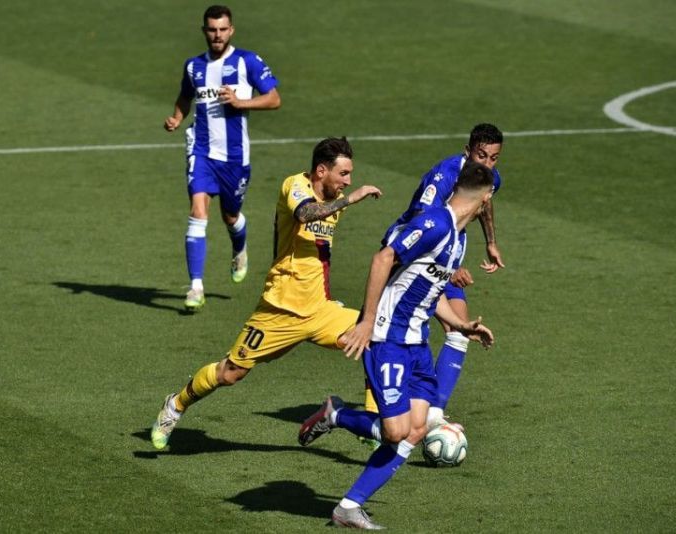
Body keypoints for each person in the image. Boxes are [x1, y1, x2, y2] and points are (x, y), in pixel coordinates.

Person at [298, 160, 496, 529]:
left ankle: (348, 506)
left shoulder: (458, 238)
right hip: (388, 337)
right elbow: (383, 258)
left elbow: (430, 289)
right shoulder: (434, 223)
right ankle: (337, 416)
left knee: (417, 429)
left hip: (417, 342)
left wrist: (459, 324)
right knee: (394, 432)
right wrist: (368, 322)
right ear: (484, 199)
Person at [150, 137, 382, 449]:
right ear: (321, 170)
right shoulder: (295, 186)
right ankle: (175, 406)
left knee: (376, 336)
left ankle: (371, 423)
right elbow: (304, 214)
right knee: (230, 373)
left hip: (320, 311)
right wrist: (351, 198)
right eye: (343, 174)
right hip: (278, 311)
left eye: (350, 175)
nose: (348, 181)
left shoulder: (331, 201)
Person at [365, 123, 506, 429]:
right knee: (387, 330)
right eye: (481, 155)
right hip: (410, 256)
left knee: (460, 329)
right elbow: (423, 224)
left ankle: (433, 414)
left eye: (494, 158)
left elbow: (485, 201)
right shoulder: (443, 176)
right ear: (467, 151)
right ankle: (381, 401)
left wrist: (491, 242)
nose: (488, 165)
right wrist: (450, 268)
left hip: (444, 256)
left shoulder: (487, 178)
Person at [163, 5, 281, 311]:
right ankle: (195, 287)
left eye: (222, 29)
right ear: (204, 31)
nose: (217, 35)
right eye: (212, 29)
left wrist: (242, 102)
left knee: (230, 216)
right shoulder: (193, 67)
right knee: (198, 210)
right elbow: (184, 97)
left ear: (231, 30)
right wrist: (177, 118)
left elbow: (274, 99)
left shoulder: (247, 61)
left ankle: (239, 248)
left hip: (234, 158)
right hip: (200, 150)